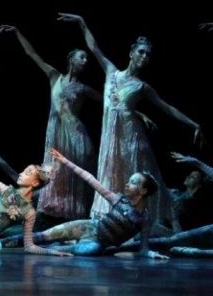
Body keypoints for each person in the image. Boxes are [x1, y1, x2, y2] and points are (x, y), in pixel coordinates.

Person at [58, 13, 203, 222]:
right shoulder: (111, 72)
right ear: (132, 53)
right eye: (141, 52)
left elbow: (166, 107)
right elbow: (94, 47)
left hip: (132, 138)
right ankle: (112, 220)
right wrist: (82, 22)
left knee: (137, 177)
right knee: (112, 176)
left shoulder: (142, 86)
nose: (145, 57)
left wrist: (193, 123)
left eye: (148, 55)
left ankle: (155, 221)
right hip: (112, 138)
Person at [0, 25, 99, 221]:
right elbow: (31, 53)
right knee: (54, 172)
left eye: (87, 58)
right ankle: (52, 215)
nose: (85, 61)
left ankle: (75, 217)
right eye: (82, 57)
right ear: (71, 59)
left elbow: (108, 102)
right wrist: (18, 31)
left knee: (73, 174)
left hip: (76, 135)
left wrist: (136, 113)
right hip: (56, 133)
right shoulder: (55, 77)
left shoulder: (84, 88)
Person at [3, 148, 168, 259]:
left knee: (80, 250)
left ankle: (59, 247)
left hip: (97, 243)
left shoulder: (145, 218)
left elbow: (143, 248)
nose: (127, 184)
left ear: (143, 191)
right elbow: (90, 179)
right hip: (90, 227)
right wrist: (65, 161)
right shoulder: (119, 200)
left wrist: (152, 254)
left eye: (133, 183)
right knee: (41, 236)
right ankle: (0, 243)